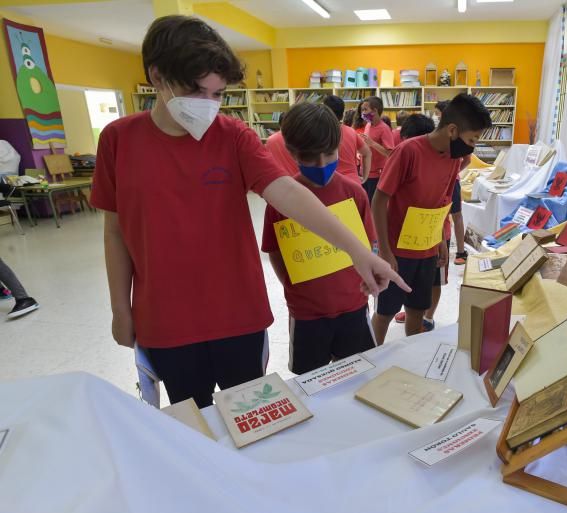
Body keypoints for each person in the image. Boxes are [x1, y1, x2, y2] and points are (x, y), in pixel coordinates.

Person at [91, 16, 406, 408]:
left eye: (218, 93)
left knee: (252, 415)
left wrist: (359, 253)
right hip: (165, 320)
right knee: (196, 423)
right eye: (196, 91)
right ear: (157, 76)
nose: (207, 105)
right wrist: (121, 310)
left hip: (238, 316)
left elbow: (288, 193)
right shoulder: (118, 141)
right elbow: (115, 232)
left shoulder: (233, 136)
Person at [262, 103, 377, 374]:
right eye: (311, 157)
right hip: (307, 313)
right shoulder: (281, 200)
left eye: (329, 154)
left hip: (353, 305)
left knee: (357, 375)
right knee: (309, 382)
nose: (322, 164)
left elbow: (367, 244)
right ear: (292, 152)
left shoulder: (354, 193)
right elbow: (275, 251)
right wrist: (293, 289)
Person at [371, 94, 492, 344]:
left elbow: (442, 201)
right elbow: (379, 200)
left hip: (426, 251)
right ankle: (373, 359)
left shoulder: (453, 158)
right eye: (472, 139)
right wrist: (384, 250)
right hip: (397, 251)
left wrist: (439, 240)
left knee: (417, 311)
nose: (472, 147)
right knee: (385, 312)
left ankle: (412, 359)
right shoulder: (408, 151)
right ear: (452, 130)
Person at [435, 101, 469, 266]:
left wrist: (454, 172)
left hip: (452, 182)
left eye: (437, 113)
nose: (435, 117)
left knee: (456, 215)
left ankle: (461, 251)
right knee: (440, 216)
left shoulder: (459, 135)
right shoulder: (437, 134)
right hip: (439, 180)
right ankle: (440, 247)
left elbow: (467, 159)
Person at [322, 95, 371, 184]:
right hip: (353, 184)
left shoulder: (317, 133)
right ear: (342, 115)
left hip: (332, 184)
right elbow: (367, 153)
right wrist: (364, 178)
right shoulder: (351, 131)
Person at [359, 96, 395, 202]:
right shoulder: (368, 125)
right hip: (365, 172)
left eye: (365, 109)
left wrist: (372, 143)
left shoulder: (384, 129)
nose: (363, 113)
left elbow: (390, 153)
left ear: (374, 111)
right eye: (362, 110)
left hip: (376, 175)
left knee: (372, 205)